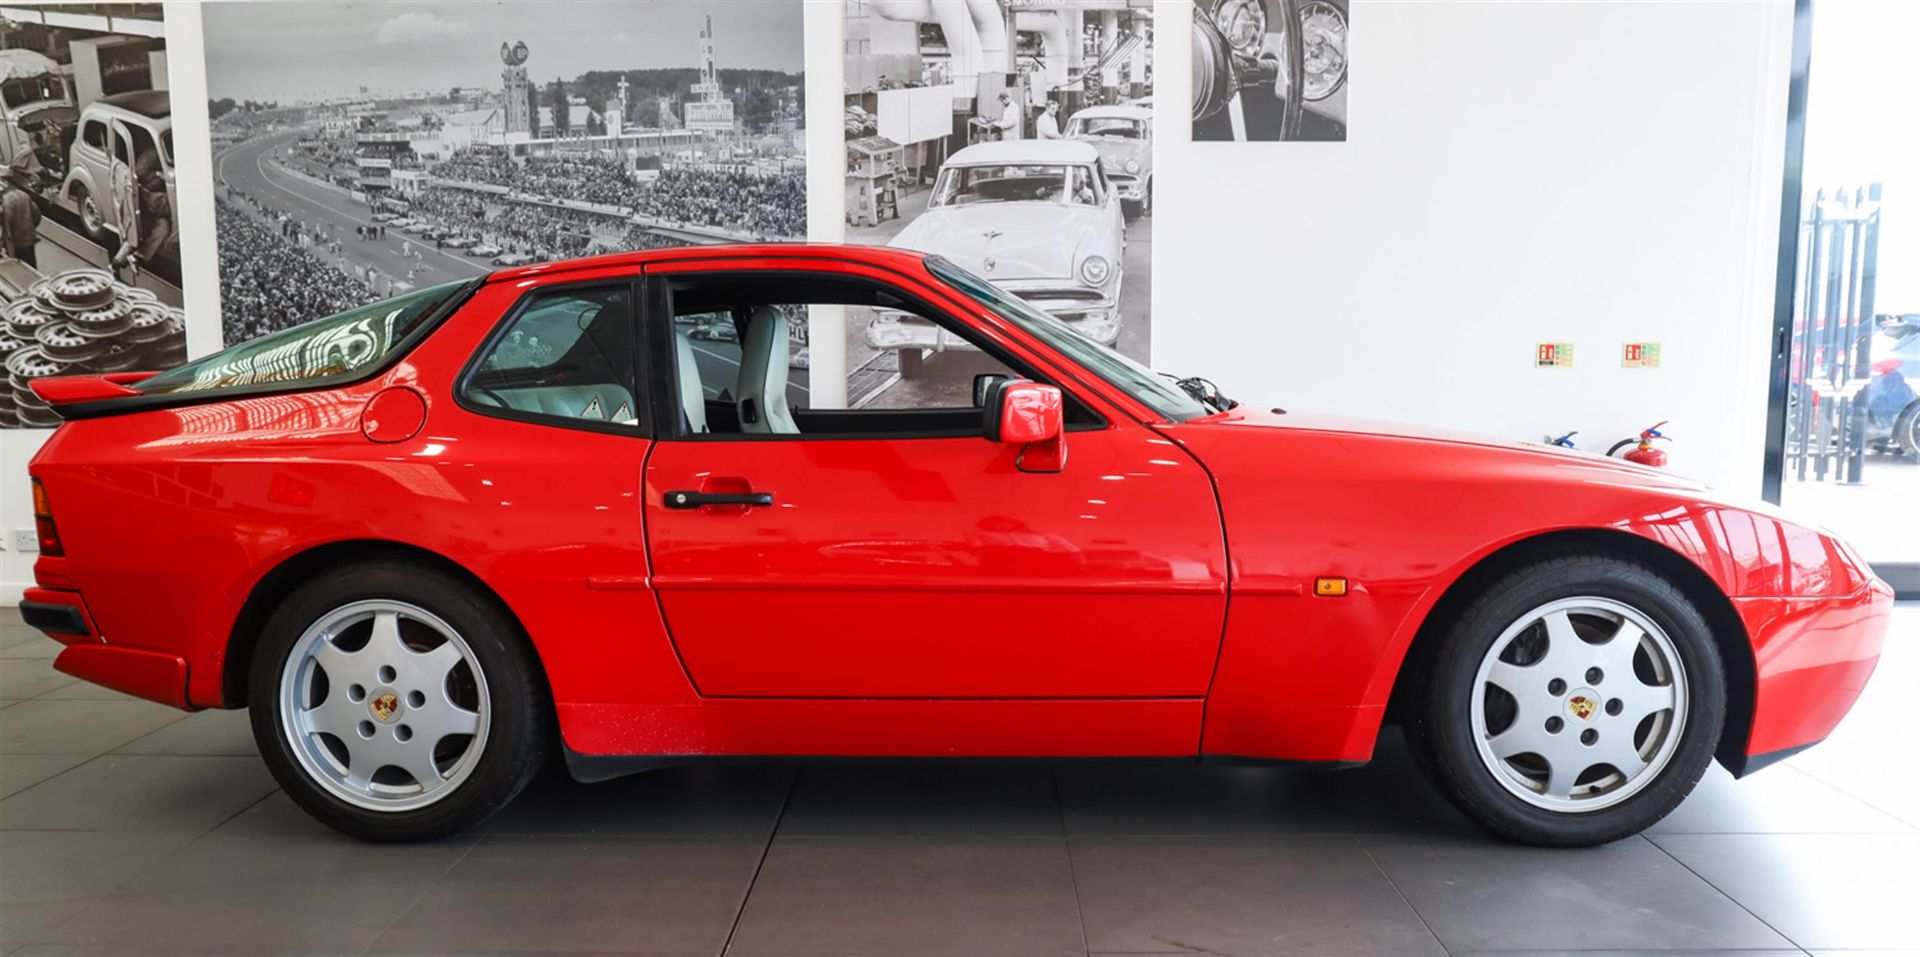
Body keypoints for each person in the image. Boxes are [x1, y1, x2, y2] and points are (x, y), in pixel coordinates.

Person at [0, 155, 41, 267]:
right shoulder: (24, 195)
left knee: (18, 270)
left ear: (4, 181)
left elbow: (4, 227)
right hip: (29, 240)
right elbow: (36, 215)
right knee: (31, 267)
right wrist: (29, 227)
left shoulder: (5, 201)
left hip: (15, 244)